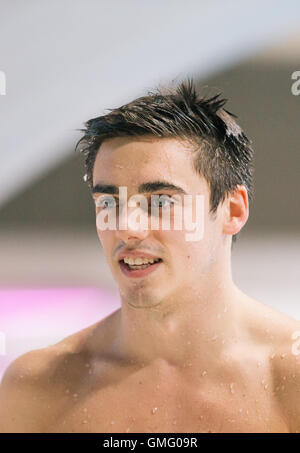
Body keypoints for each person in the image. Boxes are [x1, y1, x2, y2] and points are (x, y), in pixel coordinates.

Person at [0, 78, 299, 433]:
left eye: (160, 201)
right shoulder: (37, 389)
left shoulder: (290, 381)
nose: (126, 228)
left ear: (233, 210)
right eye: (108, 202)